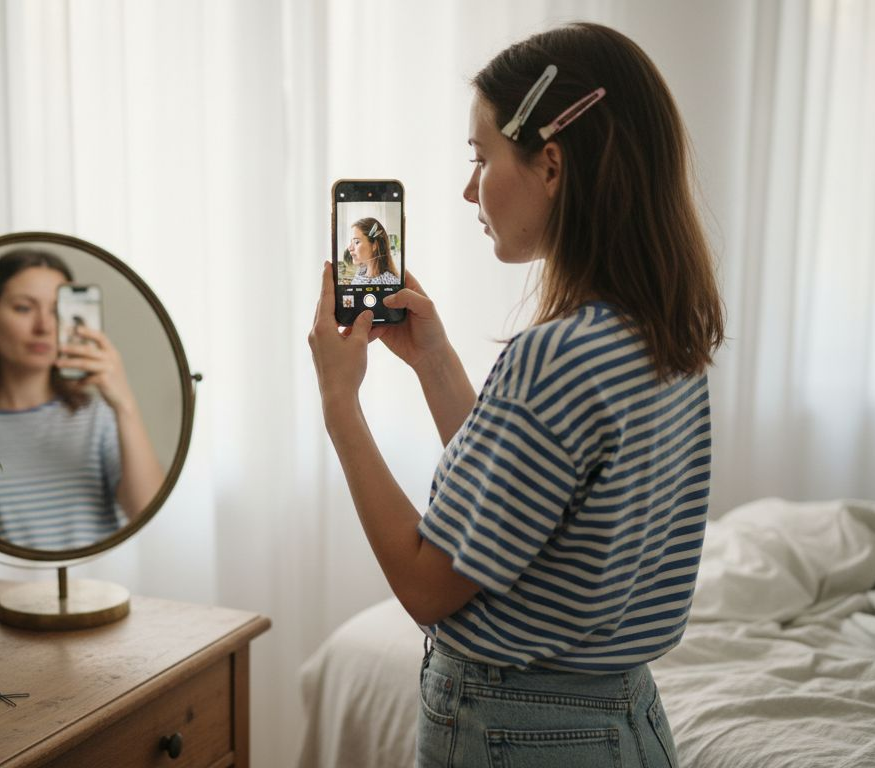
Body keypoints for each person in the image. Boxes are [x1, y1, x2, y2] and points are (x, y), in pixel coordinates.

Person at [308, 22, 723, 767]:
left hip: (520, 729)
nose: (469, 188)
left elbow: (428, 585)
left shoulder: (555, 356)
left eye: (482, 157)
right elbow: (523, 502)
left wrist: (341, 408)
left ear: (552, 165)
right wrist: (435, 362)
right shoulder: (663, 335)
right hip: (627, 717)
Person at [0, 248, 165, 551]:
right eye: (24, 308)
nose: (44, 326)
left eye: (57, 310)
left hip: (93, 593)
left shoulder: (98, 417)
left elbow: (147, 513)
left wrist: (125, 405)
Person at [346, 217, 401, 285]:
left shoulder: (390, 282)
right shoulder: (359, 274)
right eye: (351, 242)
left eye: (356, 242)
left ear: (374, 245)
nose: (349, 248)